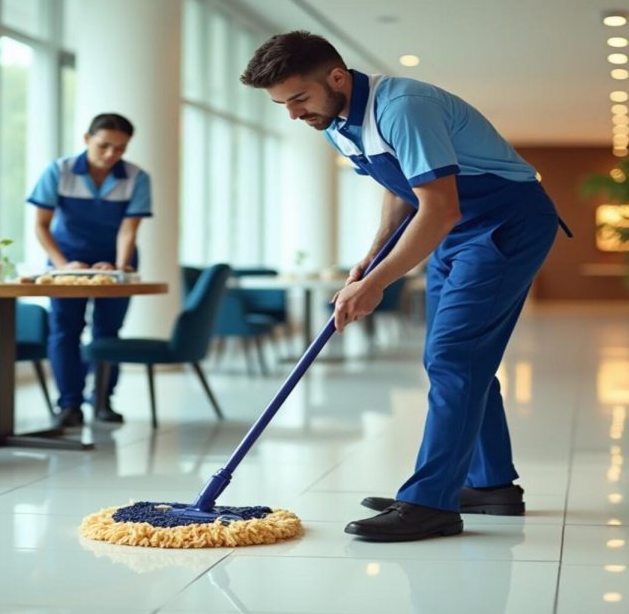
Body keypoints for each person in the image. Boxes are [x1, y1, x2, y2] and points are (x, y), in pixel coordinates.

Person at [241, 31, 570, 542]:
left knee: (454, 356)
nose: (293, 115)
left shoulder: (403, 108)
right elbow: (402, 189)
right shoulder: (334, 121)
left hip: (501, 224)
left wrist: (376, 284)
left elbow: (439, 206)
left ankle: (430, 503)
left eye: (299, 99)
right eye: (283, 104)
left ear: (336, 77)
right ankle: (490, 485)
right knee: (461, 357)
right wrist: (373, 253)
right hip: (452, 230)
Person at [27, 113, 152, 427]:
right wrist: (63, 265)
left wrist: (121, 266)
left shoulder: (137, 178)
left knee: (107, 333)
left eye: (120, 148)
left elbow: (128, 231)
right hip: (66, 260)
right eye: (104, 145)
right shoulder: (59, 171)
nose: (111, 155)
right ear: (86, 139)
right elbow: (41, 226)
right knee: (65, 331)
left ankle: (102, 401)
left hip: (115, 261)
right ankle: (69, 405)